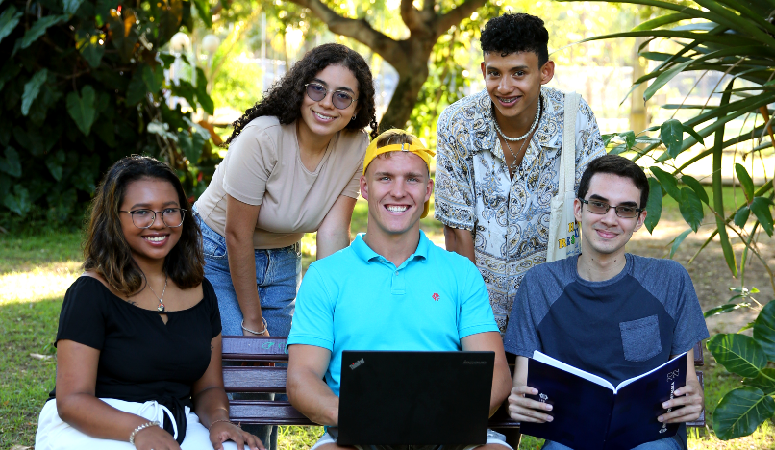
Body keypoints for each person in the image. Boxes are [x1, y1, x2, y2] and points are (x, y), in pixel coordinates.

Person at [286, 130, 513, 450]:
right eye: (385, 178)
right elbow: (302, 379)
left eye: (412, 179)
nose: (398, 191)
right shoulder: (326, 276)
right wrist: (363, 418)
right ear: (364, 187)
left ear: (427, 191)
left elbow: (497, 376)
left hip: (447, 432)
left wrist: (444, 421)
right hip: (356, 433)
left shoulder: (460, 272)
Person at [35, 156, 263, 450]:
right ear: (114, 218)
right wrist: (139, 429)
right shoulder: (91, 292)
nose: (159, 223)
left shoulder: (201, 291)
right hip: (94, 425)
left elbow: (208, 387)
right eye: (142, 212)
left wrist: (219, 421)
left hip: (174, 423)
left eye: (170, 210)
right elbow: (73, 401)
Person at [503, 155, 710, 450]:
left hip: (650, 437)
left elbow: (687, 381)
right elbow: (524, 387)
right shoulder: (540, 284)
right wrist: (522, 403)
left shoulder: (669, 280)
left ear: (640, 220)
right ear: (579, 209)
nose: (610, 219)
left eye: (625, 210)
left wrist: (692, 397)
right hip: (572, 439)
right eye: (598, 204)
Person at [192, 42, 378, 341]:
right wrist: (253, 321)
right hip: (216, 253)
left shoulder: (356, 147)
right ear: (301, 90)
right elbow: (237, 234)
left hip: (282, 259)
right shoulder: (263, 137)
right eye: (318, 89)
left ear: (358, 107)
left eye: (343, 96)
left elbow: (332, 234)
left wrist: (329, 310)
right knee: (243, 359)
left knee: (287, 361)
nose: (328, 103)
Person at [434, 12, 606, 334]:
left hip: (560, 299)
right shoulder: (457, 123)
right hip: (479, 299)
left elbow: (598, 208)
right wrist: (475, 318)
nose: (504, 87)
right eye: (495, 73)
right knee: (490, 384)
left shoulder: (573, 117)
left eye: (519, 73)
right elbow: (457, 231)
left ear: (545, 72)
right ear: (484, 70)